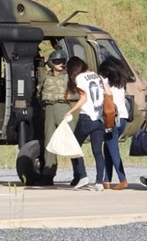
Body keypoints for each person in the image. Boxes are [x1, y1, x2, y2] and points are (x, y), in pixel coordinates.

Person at [64, 56, 106, 191]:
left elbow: (84, 98)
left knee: (74, 146)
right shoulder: (97, 76)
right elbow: (107, 93)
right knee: (98, 151)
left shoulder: (80, 78)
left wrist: (71, 111)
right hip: (100, 118)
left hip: (86, 118)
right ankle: (99, 182)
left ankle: (82, 175)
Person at [36, 50, 70, 186]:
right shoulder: (45, 76)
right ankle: (48, 173)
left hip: (65, 108)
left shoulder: (69, 76)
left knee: (71, 140)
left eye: (62, 61)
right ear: (51, 63)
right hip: (49, 108)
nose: (61, 64)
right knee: (49, 141)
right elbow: (39, 93)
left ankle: (80, 173)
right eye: (57, 61)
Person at [98, 56, 129, 190]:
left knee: (113, 149)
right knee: (109, 148)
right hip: (123, 118)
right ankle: (106, 179)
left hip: (111, 119)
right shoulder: (121, 83)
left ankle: (122, 178)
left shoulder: (103, 82)